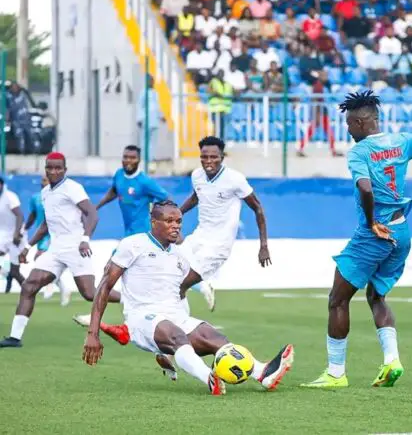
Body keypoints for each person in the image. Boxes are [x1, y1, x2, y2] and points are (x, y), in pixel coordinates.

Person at [301, 91, 412, 388]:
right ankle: (391, 360)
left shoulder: (359, 152)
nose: (347, 129)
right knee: (376, 296)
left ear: (360, 122)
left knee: (337, 300)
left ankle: (335, 373)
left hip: (376, 233)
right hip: (401, 230)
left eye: (348, 123)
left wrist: (371, 223)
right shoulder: (402, 140)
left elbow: (366, 188)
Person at [77, 136, 271, 357]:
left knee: (179, 285)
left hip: (218, 246)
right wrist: (176, 215)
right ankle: (166, 335)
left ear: (222, 157)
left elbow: (258, 208)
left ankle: (171, 338)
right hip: (197, 237)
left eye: (213, 157)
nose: (208, 161)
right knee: (169, 282)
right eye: (204, 157)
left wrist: (263, 245)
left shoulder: (235, 179)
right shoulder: (197, 176)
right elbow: (196, 198)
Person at [82, 201, 293, 395]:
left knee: (214, 337)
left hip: (174, 315)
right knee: (176, 335)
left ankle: (262, 373)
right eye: (169, 221)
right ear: (154, 222)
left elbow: (180, 291)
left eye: (179, 221)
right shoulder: (132, 245)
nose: (176, 226)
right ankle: (209, 378)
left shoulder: (181, 255)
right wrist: (93, 333)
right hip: (141, 318)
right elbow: (104, 287)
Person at [0, 152, 122, 348]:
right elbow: (46, 224)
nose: (54, 171)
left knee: (89, 293)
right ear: (45, 169)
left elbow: (92, 213)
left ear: (65, 169)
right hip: (55, 249)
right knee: (29, 286)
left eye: (58, 168)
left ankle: (128, 299)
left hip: (76, 247)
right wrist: (28, 246)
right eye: (50, 168)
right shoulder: (45, 193)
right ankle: (15, 337)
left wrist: (85, 239)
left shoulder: (73, 188)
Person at [24, 176, 71, 305]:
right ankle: (63, 288)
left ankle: (50, 285)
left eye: (46, 180)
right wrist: (25, 228)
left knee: (40, 257)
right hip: (41, 233)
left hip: (54, 233)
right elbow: (33, 215)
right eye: (42, 180)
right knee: (42, 260)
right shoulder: (35, 198)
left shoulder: (59, 196)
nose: (43, 182)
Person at [0, 176, 25, 294]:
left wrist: (17, 233)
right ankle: (6, 273)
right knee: (12, 272)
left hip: (16, 236)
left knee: (15, 272)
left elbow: (20, 215)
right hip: (3, 235)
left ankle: (29, 290)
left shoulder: (10, 196)